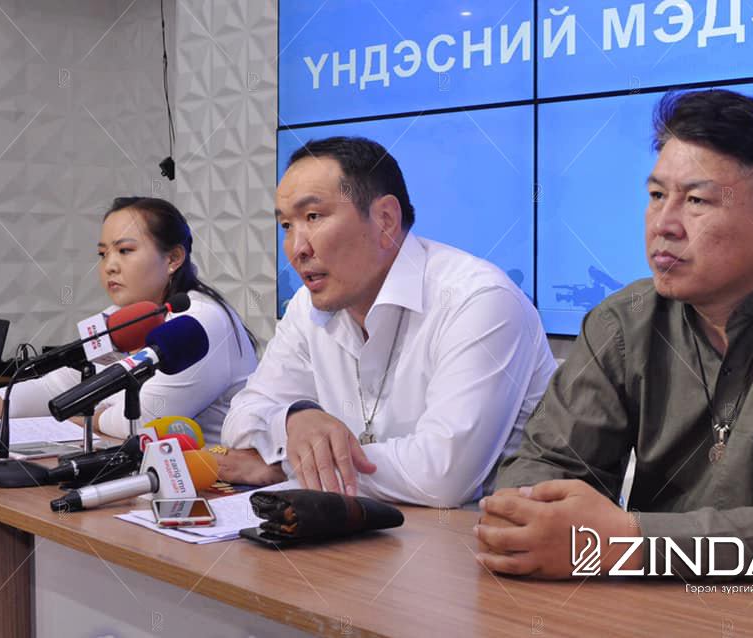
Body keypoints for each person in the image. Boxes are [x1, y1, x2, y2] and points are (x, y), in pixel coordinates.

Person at [476, 89, 753, 596]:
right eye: (657, 195)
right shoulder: (623, 321)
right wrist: (529, 514)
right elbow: (542, 467)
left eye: (696, 201)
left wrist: (628, 543)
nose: (663, 224)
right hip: (663, 600)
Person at [218, 136, 557, 505]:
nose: (296, 248)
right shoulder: (306, 305)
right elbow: (240, 419)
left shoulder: (479, 299)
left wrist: (287, 465)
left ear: (385, 220)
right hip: (362, 527)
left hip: (470, 535)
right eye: (286, 225)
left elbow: (442, 477)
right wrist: (294, 420)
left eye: (313, 217)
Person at [0, 197, 259, 444]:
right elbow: (57, 386)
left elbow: (145, 420)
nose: (109, 266)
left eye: (125, 250)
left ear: (173, 258)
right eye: (103, 254)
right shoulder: (121, 318)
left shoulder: (201, 322)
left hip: (215, 483)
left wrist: (84, 418)